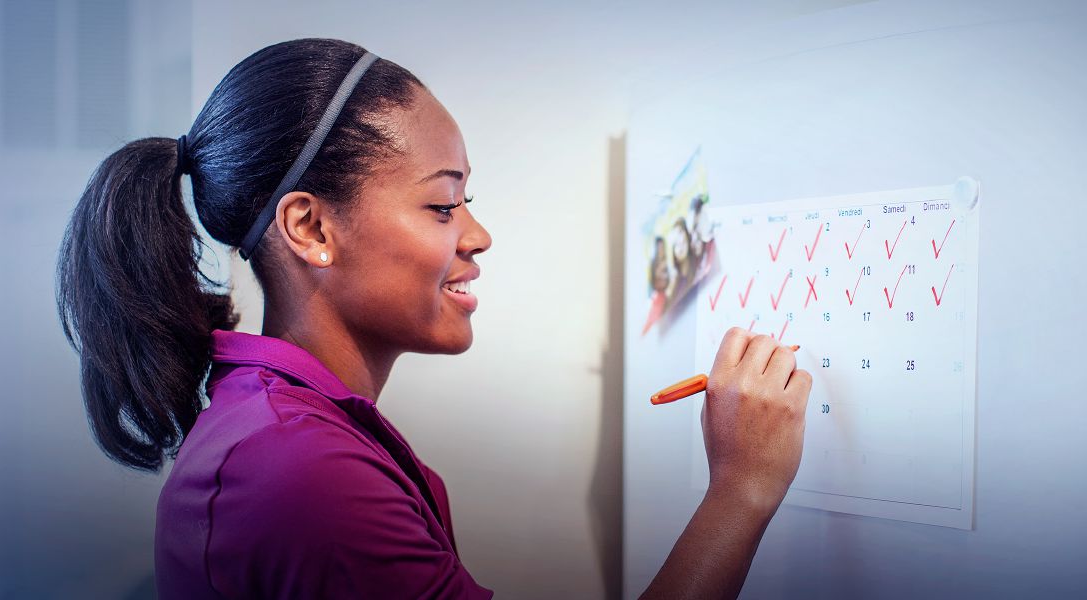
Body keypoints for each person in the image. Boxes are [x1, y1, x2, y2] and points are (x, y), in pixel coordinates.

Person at [56, 38, 811, 600]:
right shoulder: (298, 471)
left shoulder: (282, 431)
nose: (478, 236)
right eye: (443, 205)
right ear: (311, 228)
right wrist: (741, 489)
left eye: (465, 201)